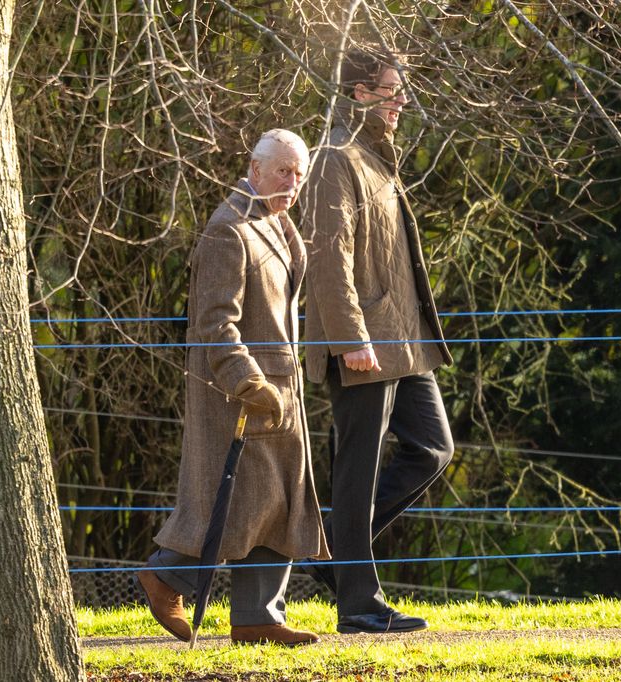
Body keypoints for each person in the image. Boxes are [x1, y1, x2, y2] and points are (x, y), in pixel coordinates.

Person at [136, 129, 329, 647]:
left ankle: (258, 617)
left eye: (299, 174)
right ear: (255, 167)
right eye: (283, 171)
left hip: (281, 395)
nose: (291, 182)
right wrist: (247, 381)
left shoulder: (276, 221)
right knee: (223, 503)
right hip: (238, 398)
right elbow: (214, 323)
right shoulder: (229, 229)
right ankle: (163, 576)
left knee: (276, 504)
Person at [299, 47, 455, 634]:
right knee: (356, 471)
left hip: (405, 341)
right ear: (361, 93)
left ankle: (339, 558)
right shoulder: (335, 158)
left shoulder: (378, 159)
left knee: (433, 449)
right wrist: (349, 337)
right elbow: (328, 256)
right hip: (363, 341)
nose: (402, 102)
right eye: (392, 90)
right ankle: (359, 606)